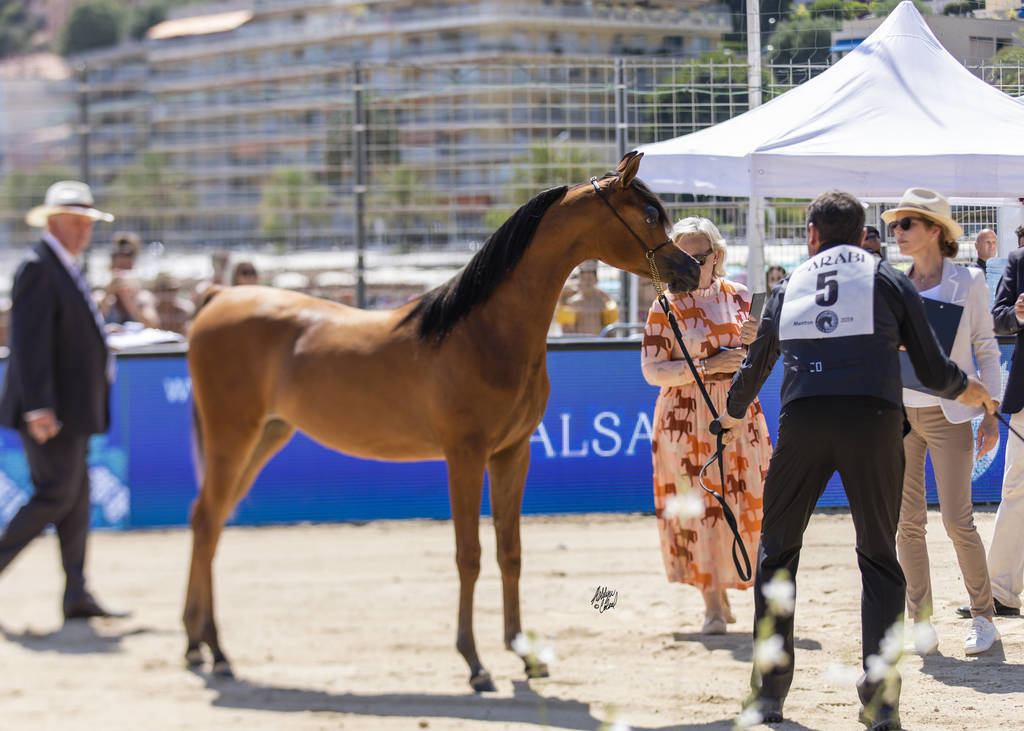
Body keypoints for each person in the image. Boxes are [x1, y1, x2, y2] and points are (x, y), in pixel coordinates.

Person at [717, 189, 995, 729]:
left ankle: (769, 694)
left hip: (805, 422)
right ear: (860, 230)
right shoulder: (888, 279)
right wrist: (973, 390)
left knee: (777, 555)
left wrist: (728, 410)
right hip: (873, 422)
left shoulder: (789, 282)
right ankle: (881, 700)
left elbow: (755, 367)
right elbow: (934, 372)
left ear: (813, 234)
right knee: (878, 558)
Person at [0, 181, 127, 620]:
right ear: (53, 222)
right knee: (56, 495)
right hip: (51, 411)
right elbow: (29, 345)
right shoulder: (38, 267)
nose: (83, 231)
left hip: (69, 409)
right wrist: (38, 407)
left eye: (87, 223)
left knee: (74, 498)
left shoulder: (60, 266)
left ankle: (76, 592)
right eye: (76, 222)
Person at [883, 189, 1000, 656]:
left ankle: (984, 617)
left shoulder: (969, 281)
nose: (897, 232)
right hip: (900, 416)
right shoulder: (894, 282)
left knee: (958, 521)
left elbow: (986, 350)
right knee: (907, 525)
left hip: (951, 414)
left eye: (906, 223)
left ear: (935, 230)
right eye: (894, 225)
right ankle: (921, 622)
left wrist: (992, 411)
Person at [641, 217, 770, 635]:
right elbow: (652, 370)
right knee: (698, 506)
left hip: (738, 412)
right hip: (685, 415)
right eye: (680, 258)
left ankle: (740, 587)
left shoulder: (743, 297)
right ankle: (713, 602)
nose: (690, 265)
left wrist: (756, 343)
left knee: (746, 499)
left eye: (698, 257)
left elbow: (761, 363)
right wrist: (706, 365)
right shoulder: (664, 305)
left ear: (716, 255)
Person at [975, 238, 1024, 620]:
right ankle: (1002, 592)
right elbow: (997, 316)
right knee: (1015, 489)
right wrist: (1018, 315)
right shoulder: (1019, 260)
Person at [98, 232, 158, 330]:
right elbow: (91, 324)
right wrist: (107, 295)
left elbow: (153, 326)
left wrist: (129, 301)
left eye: (127, 269)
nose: (123, 274)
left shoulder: (144, 298)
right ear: (111, 268)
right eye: (120, 268)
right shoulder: (100, 298)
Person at [557, 260, 618, 335]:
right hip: (581, 343)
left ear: (596, 280)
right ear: (579, 280)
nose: (587, 282)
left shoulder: (603, 301)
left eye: (590, 279)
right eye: (584, 279)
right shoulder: (573, 303)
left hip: (598, 342)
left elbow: (609, 329)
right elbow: (567, 331)